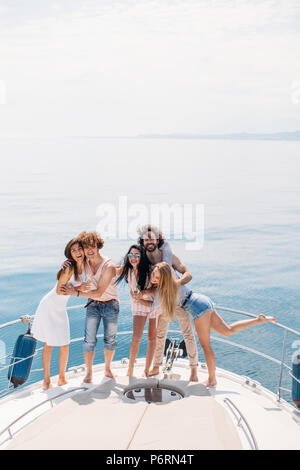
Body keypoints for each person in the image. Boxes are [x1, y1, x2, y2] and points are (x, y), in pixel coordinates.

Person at [139, 225, 277, 388]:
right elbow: (166, 249)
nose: (153, 278)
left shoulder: (167, 287)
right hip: (201, 300)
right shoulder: (167, 275)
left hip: (196, 308)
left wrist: (138, 296)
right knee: (227, 331)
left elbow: (154, 303)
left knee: (206, 345)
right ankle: (258, 320)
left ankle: (212, 379)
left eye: (155, 276)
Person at [136, 225, 199, 382]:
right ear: (143, 241)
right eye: (146, 238)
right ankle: (156, 366)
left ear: (158, 239)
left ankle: (194, 370)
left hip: (179, 302)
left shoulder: (169, 256)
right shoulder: (143, 260)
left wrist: (175, 285)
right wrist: (142, 295)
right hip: (162, 303)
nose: (149, 241)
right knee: (160, 335)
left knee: (188, 335)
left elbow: (188, 274)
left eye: (152, 238)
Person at [60, 231, 119, 383]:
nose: (89, 250)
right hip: (93, 305)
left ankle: (107, 369)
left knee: (110, 340)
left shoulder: (109, 266)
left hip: (110, 304)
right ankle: (89, 373)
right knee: (89, 341)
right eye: (86, 247)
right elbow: (78, 272)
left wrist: (76, 292)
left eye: (92, 246)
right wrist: (66, 262)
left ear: (98, 246)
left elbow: (99, 292)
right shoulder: (85, 261)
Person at [32, 239, 88, 390]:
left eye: (79, 249)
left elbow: (75, 288)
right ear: (70, 254)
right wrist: (79, 287)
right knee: (49, 344)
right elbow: (59, 290)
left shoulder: (82, 267)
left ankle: (62, 378)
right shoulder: (68, 268)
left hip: (60, 308)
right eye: (73, 250)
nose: (77, 253)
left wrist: (80, 288)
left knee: (65, 344)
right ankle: (47, 380)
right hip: (50, 306)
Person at [116, 244, 159, 378]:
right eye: (130, 255)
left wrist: (143, 292)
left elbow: (158, 288)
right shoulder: (128, 270)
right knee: (136, 338)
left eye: (136, 255)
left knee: (152, 338)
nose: (133, 258)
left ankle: (146, 370)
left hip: (153, 304)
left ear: (142, 256)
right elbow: (129, 285)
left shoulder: (151, 270)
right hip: (139, 306)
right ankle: (130, 369)